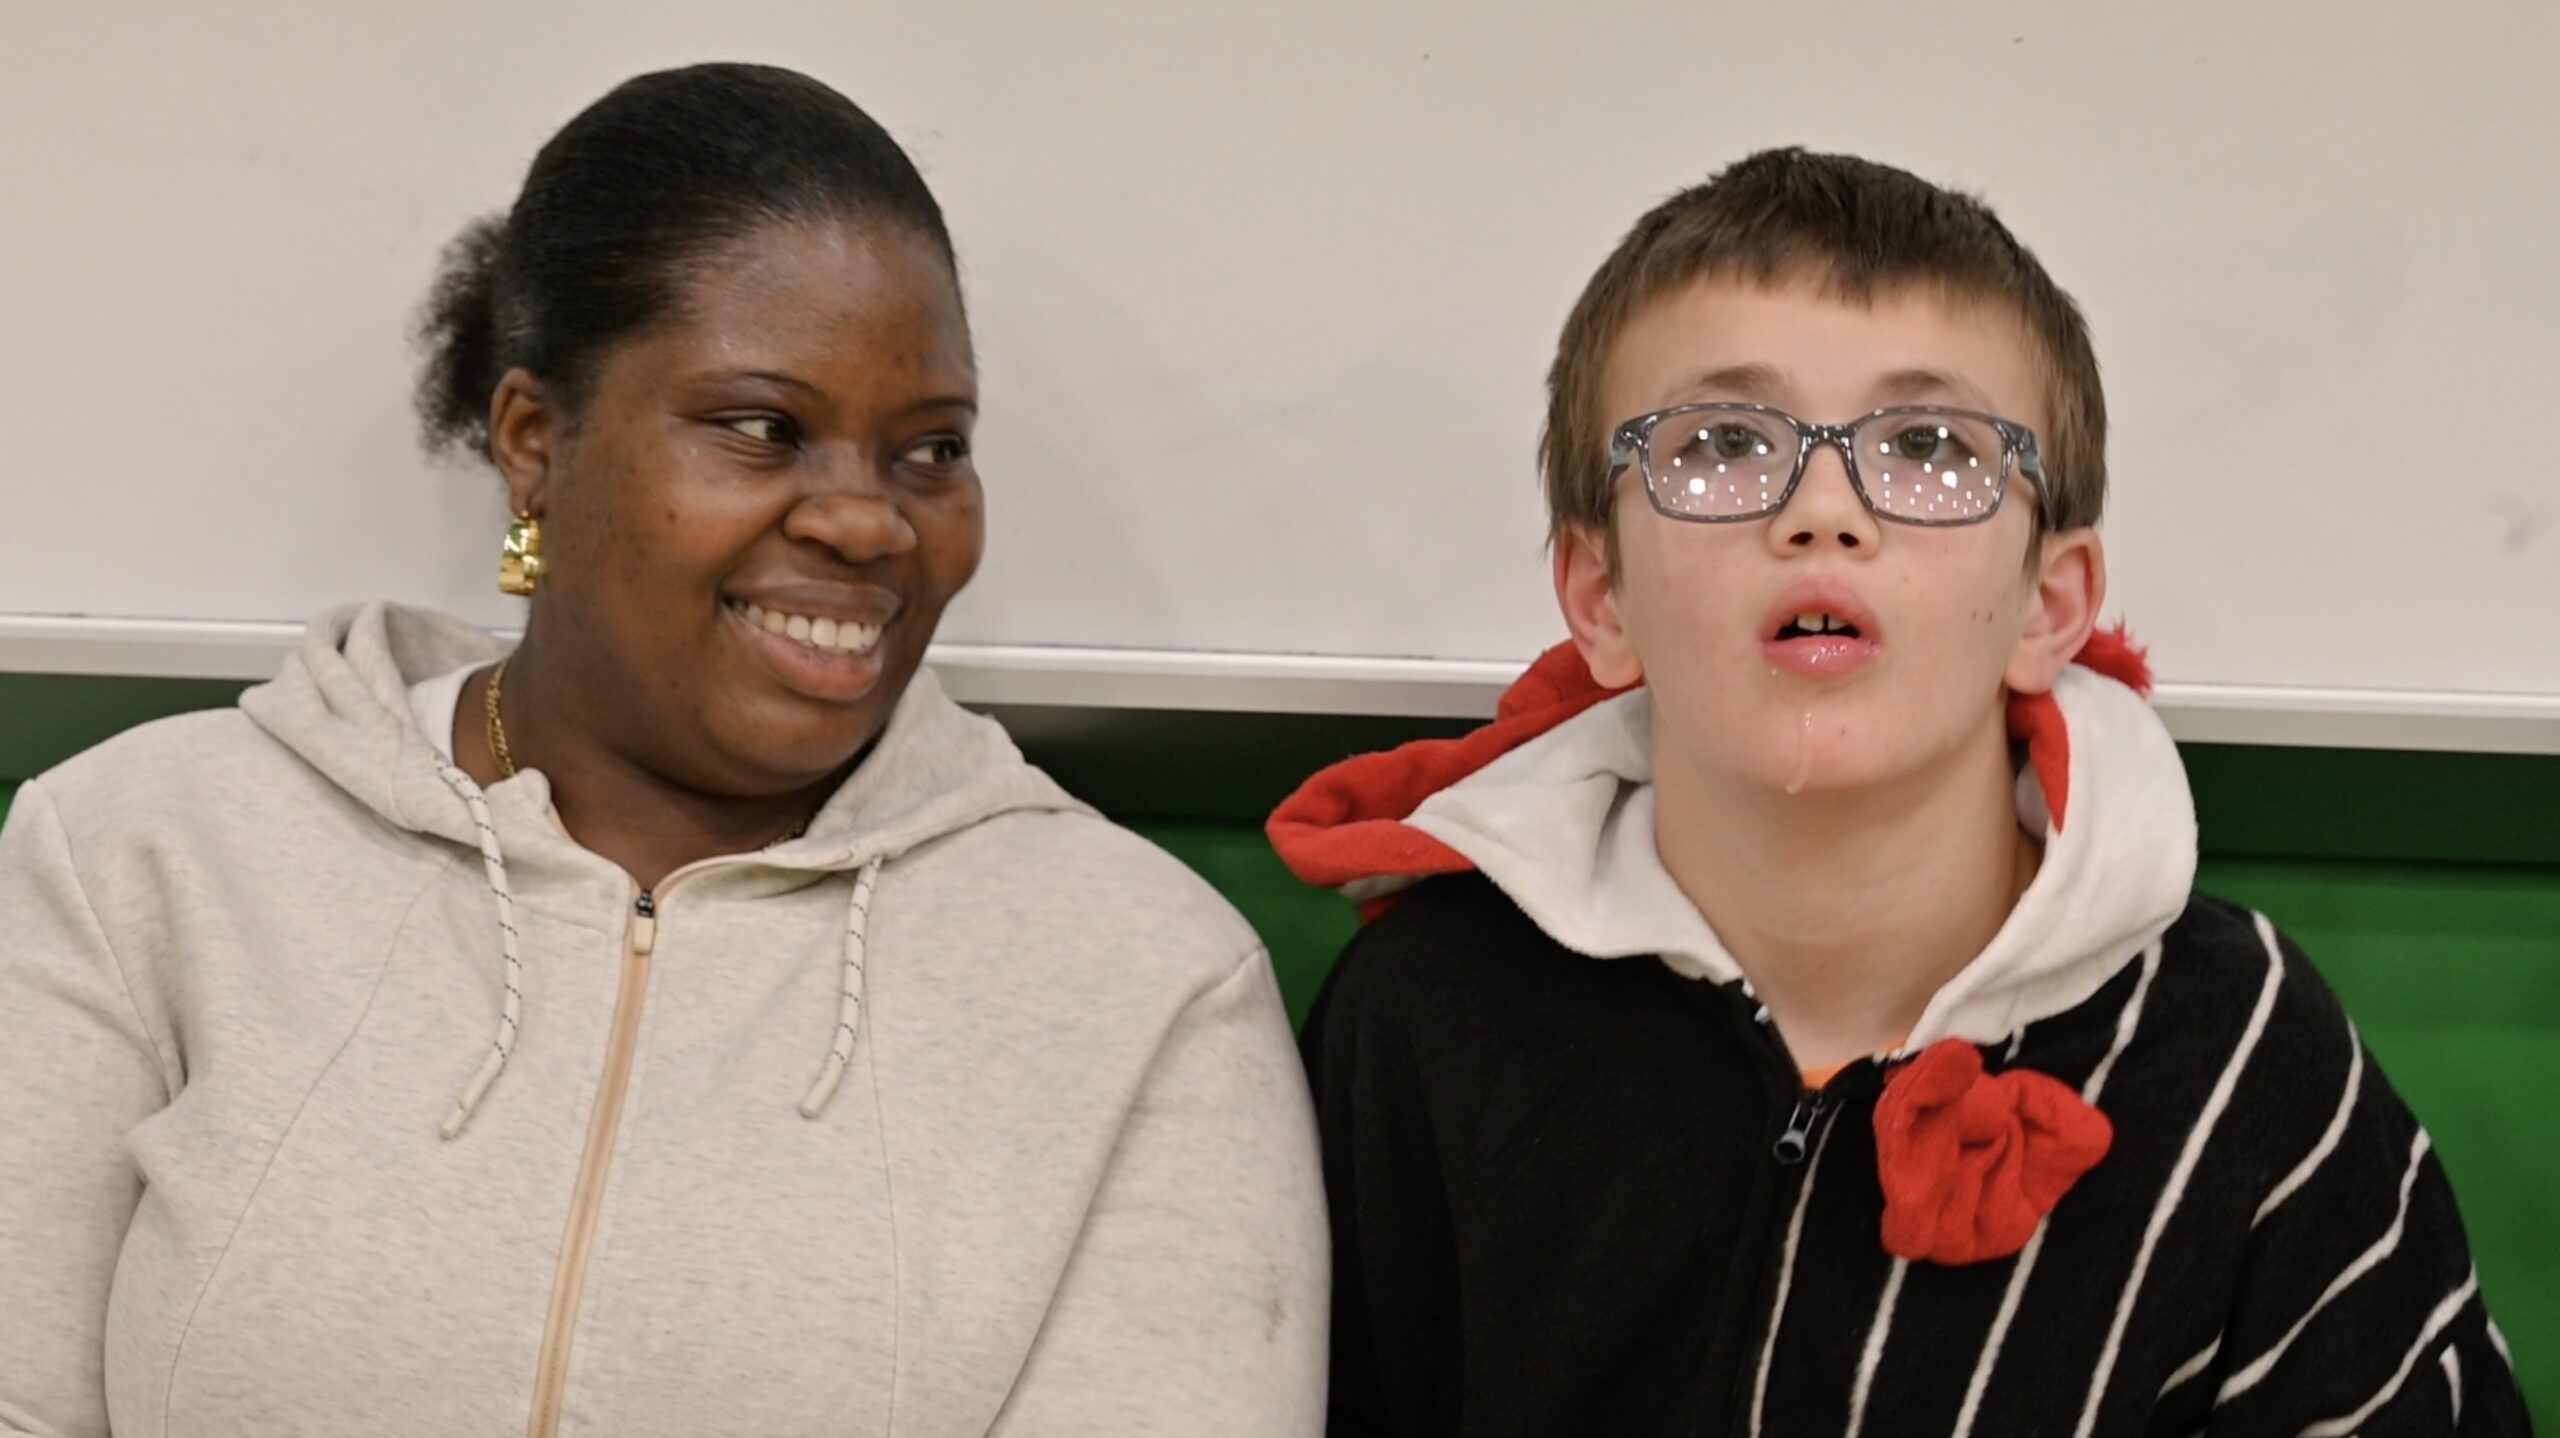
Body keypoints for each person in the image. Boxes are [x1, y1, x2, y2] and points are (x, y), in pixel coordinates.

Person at [0, 63, 1324, 1437]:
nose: (867, 521)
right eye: (763, 428)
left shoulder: (1144, 979)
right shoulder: (142, 855)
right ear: (535, 442)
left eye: (931, 450)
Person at [1273, 148, 2526, 1435]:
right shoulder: (1428, 1015)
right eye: (1720, 444)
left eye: (1928, 446)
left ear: (2049, 607)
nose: (1823, 511)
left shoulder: (2243, 1058)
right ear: (1600, 599)